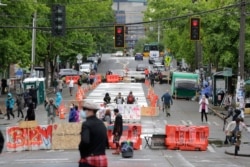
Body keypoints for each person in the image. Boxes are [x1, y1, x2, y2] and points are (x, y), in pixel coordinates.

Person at [79, 101, 108, 167]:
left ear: (91, 111)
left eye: (84, 109)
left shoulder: (86, 124)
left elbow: (85, 141)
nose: (83, 111)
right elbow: (106, 142)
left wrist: (81, 150)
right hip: (102, 158)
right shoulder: (101, 124)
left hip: (90, 158)